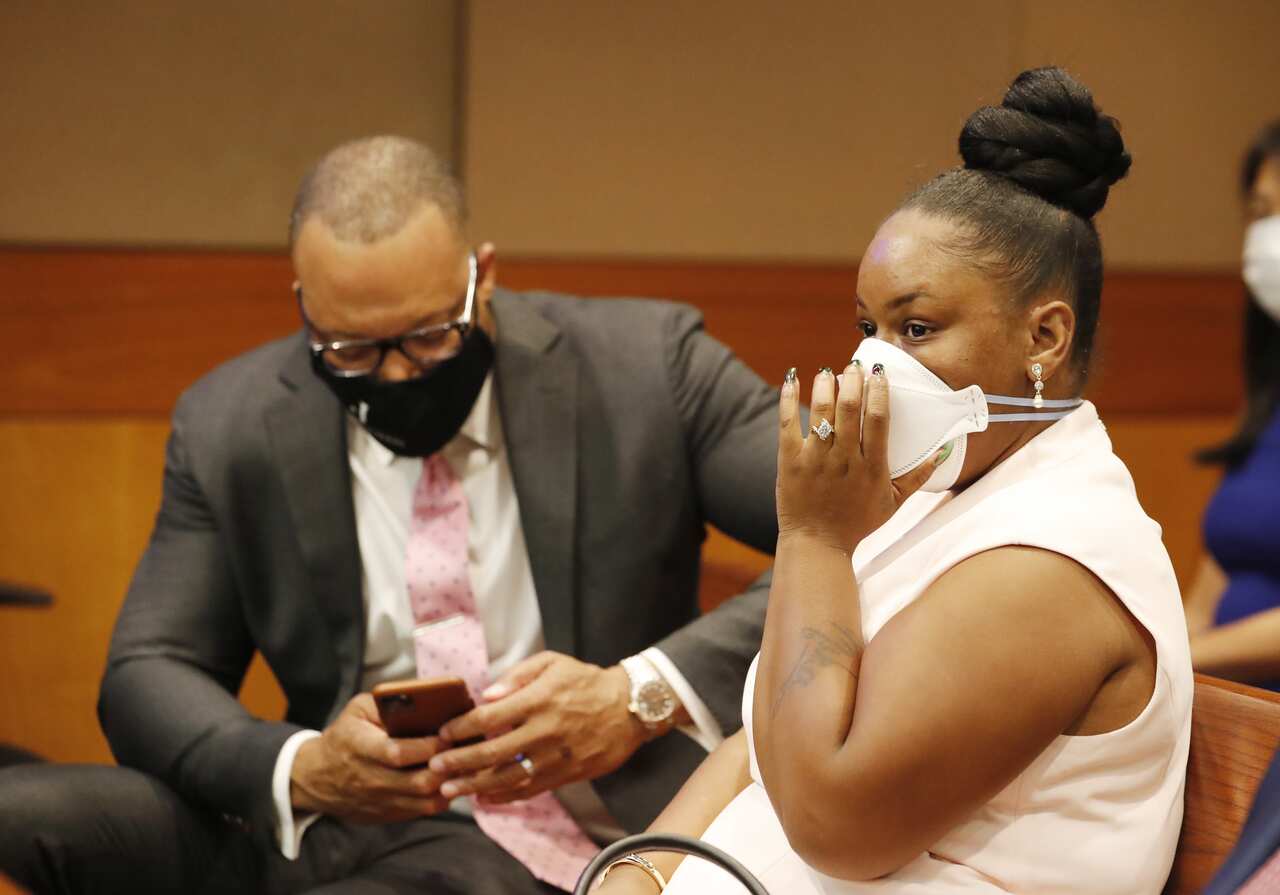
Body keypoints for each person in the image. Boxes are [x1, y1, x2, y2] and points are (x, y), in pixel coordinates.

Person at [0, 136, 781, 894]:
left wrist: (638, 693)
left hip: (586, 820)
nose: (397, 374)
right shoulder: (228, 423)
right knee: (23, 815)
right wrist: (303, 767)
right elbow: (147, 669)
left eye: (429, 337)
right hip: (337, 817)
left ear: (485, 276)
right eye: (351, 351)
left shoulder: (649, 366)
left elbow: (866, 544)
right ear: (303, 308)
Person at [594, 68, 1191, 895]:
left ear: (1045, 337)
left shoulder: (1055, 561)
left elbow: (830, 821)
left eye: (918, 328)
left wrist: (814, 536)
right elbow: (754, 745)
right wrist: (638, 877)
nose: (873, 365)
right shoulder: (947, 495)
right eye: (868, 329)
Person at [1184, 120, 1280, 690]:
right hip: (1229, 715)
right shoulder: (1268, 399)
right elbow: (1211, 588)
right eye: (1264, 210)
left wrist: (1176, 659)